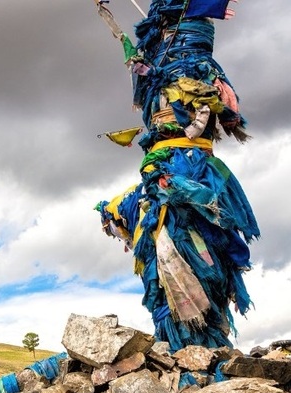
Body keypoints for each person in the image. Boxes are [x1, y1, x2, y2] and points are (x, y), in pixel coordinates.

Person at [97, 0, 259, 351]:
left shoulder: (197, 73)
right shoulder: (185, 75)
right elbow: (227, 113)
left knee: (194, 236)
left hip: (184, 163)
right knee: (165, 232)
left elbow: (224, 113)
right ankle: (182, 343)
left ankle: (201, 342)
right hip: (170, 163)